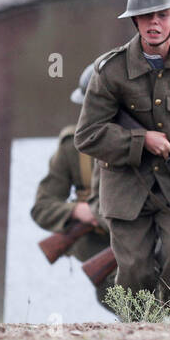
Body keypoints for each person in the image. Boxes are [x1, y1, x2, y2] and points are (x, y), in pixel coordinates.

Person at [74, 0, 170, 312]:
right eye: (146, 16)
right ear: (135, 21)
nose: (154, 23)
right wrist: (142, 140)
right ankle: (139, 332)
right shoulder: (110, 71)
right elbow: (88, 135)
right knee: (135, 270)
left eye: (162, 16)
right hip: (126, 190)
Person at [31, 64, 112, 310]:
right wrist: (80, 211)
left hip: (147, 242)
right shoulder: (72, 146)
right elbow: (42, 207)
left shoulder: (147, 140)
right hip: (101, 245)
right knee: (116, 292)